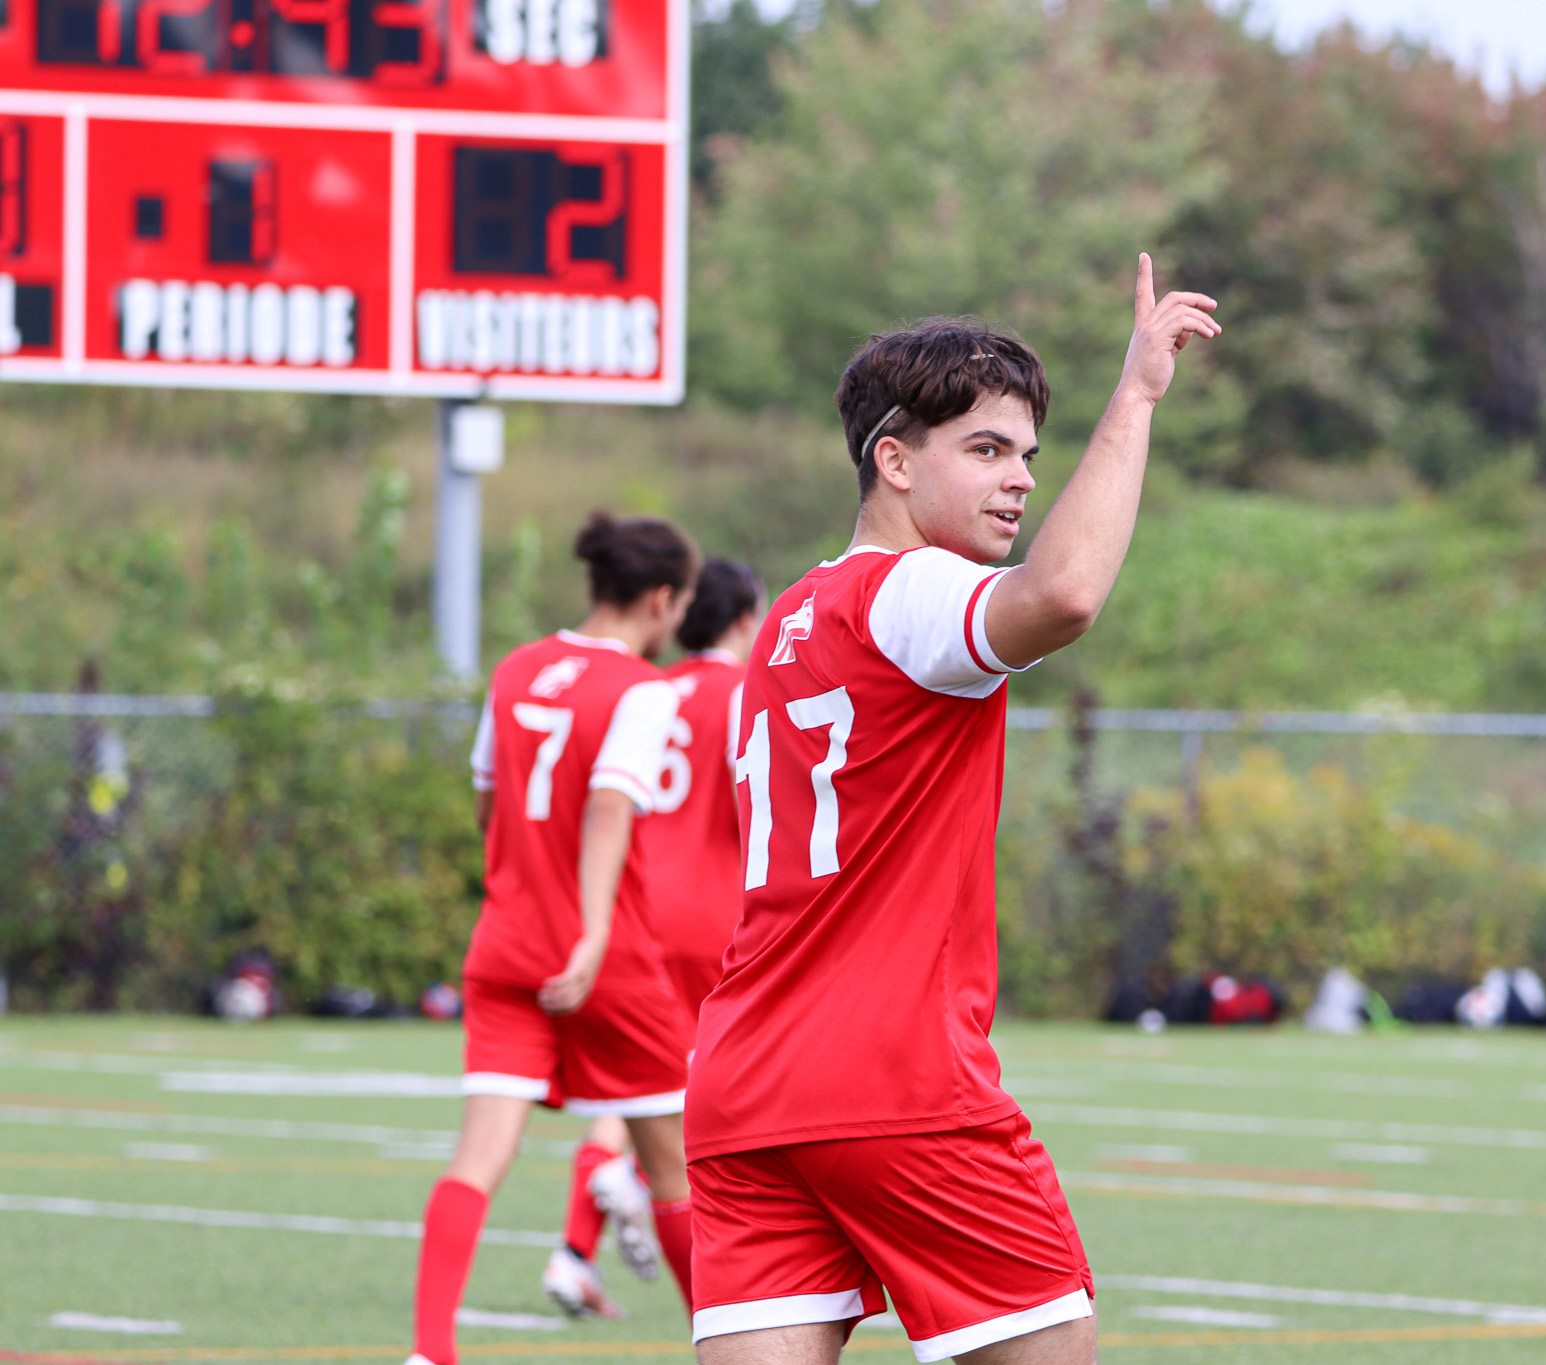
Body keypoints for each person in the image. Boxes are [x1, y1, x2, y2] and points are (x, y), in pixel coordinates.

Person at [684, 255, 1220, 1364]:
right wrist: (1135, 396)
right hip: (895, 1078)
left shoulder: (790, 617)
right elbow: (1063, 595)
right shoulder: (910, 590)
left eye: (1027, 455)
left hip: (743, 1080)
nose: (1019, 480)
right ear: (892, 459)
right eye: (984, 450)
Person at [404, 513, 702, 1365]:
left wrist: (518, 877)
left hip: (505, 944)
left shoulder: (517, 667)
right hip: (605, 958)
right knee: (674, 1170)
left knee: (477, 1157)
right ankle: (727, 1347)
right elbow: (609, 802)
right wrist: (594, 926)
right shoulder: (643, 688)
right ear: (660, 598)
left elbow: (487, 799)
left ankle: (430, 1352)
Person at [545, 557, 767, 1316]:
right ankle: (636, 1184)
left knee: (641, 1083)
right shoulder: (744, 692)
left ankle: (575, 1251)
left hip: (636, 908)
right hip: (713, 915)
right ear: (745, 618)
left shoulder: (652, 687)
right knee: (704, 1092)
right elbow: (756, 800)